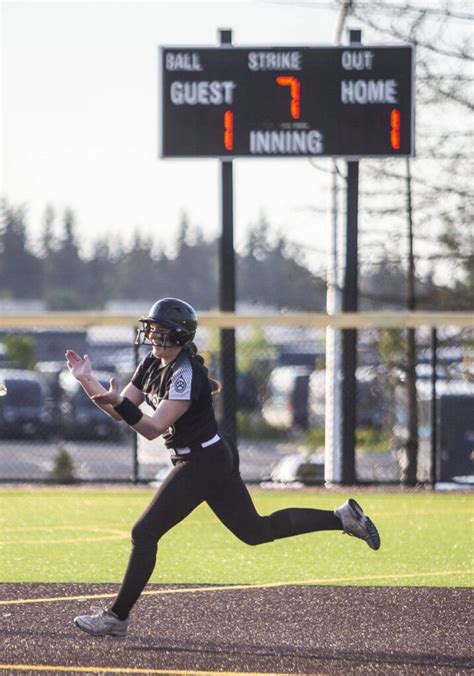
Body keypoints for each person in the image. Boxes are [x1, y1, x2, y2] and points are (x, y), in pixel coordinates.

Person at [67, 297, 380, 638]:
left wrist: (119, 404)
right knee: (255, 531)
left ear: (179, 336)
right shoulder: (151, 364)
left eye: (160, 331)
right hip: (209, 454)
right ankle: (340, 518)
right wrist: (86, 379)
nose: (152, 335)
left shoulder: (185, 371)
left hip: (203, 459)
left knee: (144, 533)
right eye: (152, 329)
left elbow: (153, 428)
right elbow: (118, 409)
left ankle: (116, 617)